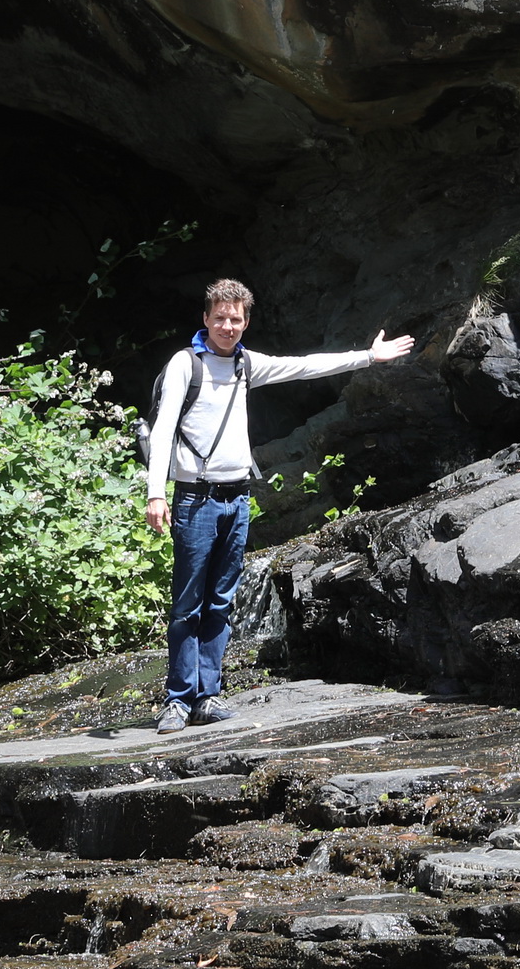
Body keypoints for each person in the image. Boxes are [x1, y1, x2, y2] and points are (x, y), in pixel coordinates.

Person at [142, 278, 412, 733]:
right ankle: (178, 700)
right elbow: (164, 428)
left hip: (238, 498)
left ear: (246, 322)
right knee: (188, 602)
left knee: (220, 602)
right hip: (195, 499)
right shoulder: (184, 365)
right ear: (205, 319)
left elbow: (304, 367)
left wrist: (367, 357)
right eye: (220, 318)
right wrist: (155, 493)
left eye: (236, 318)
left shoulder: (247, 364)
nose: (228, 326)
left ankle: (207, 696)